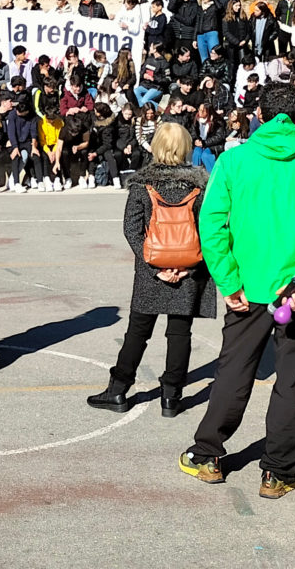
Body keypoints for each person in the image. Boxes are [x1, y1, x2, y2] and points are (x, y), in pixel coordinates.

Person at [180, 83, 295, 499]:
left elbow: (212, 223)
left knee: (234, 371)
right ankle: (278, 471)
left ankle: (208, 454)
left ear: (259, 112)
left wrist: (228, 279)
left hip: (250, 288)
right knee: (291, 380)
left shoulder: (234, 161)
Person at [87, 123, 215, 416]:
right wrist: (188, 266)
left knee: (138, 331)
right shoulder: (201, 185)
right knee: (180, 332)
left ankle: (118, 390)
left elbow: (132, 229)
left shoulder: (143, 184)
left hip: (151, 268)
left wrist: (154, 267)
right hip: (189, 266)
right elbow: (209, 230)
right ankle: (171, 397)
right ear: (185, 148)